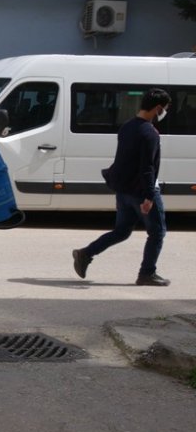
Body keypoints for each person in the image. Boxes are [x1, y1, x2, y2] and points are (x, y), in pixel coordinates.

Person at [72, 88, 171, 286]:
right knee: (157, 232)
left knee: (121, 231)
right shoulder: (149, 133)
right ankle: (147, 274)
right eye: (165, 109)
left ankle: (85, 253)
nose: (165, 113)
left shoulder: (127, 126)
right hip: (142, 191)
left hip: (124, 190)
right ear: (158, 108)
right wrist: (149, 196)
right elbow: (147, 167)